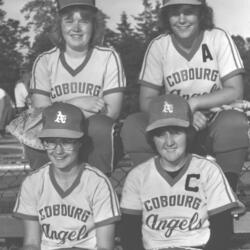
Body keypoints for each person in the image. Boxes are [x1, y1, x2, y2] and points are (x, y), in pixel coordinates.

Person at [121, 0, 249, 192]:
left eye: (188, 12)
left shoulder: (217, 38)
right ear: (166, 16)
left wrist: (194, 103)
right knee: (133, 124)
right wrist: (182, 113)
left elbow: (235, 89)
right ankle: (154, 191)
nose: (181, 19)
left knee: (234, 122)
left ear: (201, 14)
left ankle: (226, 192)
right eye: (174, 13)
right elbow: (146, 101)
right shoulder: (159, 46)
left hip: (214, 118)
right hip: (172, 121)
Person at [120, 94, 241, 250]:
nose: (169, 142)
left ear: (188, 134)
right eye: (161, 134)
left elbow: (222, 233)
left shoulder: (208, 171)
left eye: (176, 132)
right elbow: (130, 237)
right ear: (152, 138)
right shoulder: (138, 176)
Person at [28, 0, 126, 173]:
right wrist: (74, 103)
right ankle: (45, 190)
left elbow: (112, 111)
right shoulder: (45, 61)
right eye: (69, 20)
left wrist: (59, 110)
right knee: (32, 127)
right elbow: (40, 113)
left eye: (84, 21)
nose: (76, 27)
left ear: (94, 25)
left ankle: (98, 188)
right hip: (55, 135)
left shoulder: (108, 57)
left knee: (100, 126)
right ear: (59, 25)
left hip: (92, 136)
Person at [13, 102, 121, 250]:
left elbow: (105, 246)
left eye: (67, 142)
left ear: (80, 143)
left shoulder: (98, 183)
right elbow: (31, 243)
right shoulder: (33, 183)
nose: (58, 151)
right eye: (51, 142)